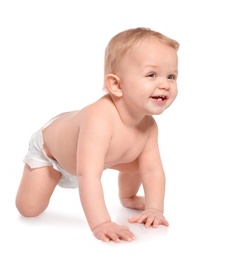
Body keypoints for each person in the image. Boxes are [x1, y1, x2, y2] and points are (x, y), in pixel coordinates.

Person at [15, 27, 179, 243]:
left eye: (171, 76)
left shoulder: (149, 126)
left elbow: (152, 171)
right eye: (151, 75)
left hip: (101, 156)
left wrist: (155, 209)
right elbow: (88, 176)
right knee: (29, 209)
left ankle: (127, 197)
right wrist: (101, 223)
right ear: (116, 85)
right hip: (53, 155)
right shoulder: (99, 120)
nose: (165, 84)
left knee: (144, 161)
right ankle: (41, 174)